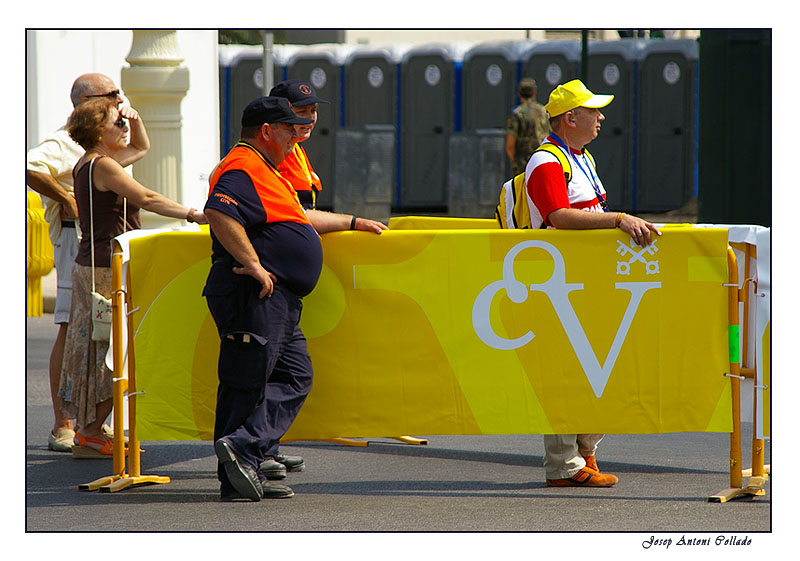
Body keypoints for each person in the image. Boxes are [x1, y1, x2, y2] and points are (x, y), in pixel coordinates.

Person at [203, 96, 387, 502]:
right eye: (289, 129)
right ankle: (240, 461)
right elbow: (218, 211)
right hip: (254, 293)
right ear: (267, 131)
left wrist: (351, 222)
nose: (295, 137)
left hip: (277, 298)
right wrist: (251, 262)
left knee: (293, 375)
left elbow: (298, 219)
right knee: (246, 383)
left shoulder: (266, 170)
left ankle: (245, 453)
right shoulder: (244, 165)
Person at [524, 79, 661, 486]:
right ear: (571, 118)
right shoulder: (547, 161)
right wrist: (618, 219)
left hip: (585, 286)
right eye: (594, 111)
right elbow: (559, 218)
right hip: (559, 289)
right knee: (569, 373)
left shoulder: (581, 158)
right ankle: (564, 467)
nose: (601, 117)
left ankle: (583, 452)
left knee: (599, 372)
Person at [59, 97, 207, 458]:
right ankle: (92, 432)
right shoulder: (105, 166)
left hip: (93, 265)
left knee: (100, 348)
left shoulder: (91, 163)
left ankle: (89, 430)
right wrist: (192, 213)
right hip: (104, 270)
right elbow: (146, 196)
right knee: (114, 350)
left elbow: (142, 146)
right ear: (98, 131)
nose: (125, 128)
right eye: (117, 123)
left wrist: (134, 118)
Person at [26, 73, 149, 452]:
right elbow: (29, 166)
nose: (119, 99)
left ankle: (90, 423)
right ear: (86, 102)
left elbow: (140, 151)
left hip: (100, 243)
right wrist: (67, 197)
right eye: (111, 95)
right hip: (78, 240)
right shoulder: (68, 142)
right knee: (75, 329)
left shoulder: (113, 141)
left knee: (98, 334)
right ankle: (66, 423)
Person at [270, 79, 328, 210]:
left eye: (313, 111)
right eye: (302, 112)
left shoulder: (297, 149)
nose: (310, 118)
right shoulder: (270, 154)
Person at [505, 77, 550, 177]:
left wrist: (514, 161)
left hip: (523, 163)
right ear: (534, 93)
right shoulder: (544, 112)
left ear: (519, 94)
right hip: (543, 160)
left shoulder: (516, 114)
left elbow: (510, 145)